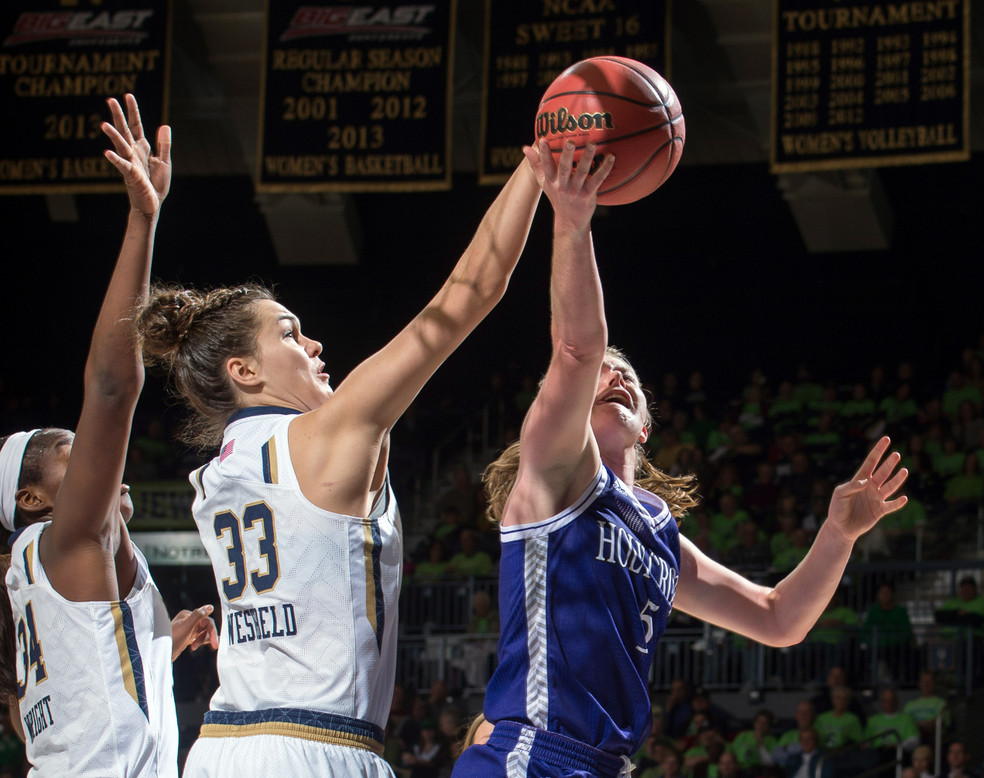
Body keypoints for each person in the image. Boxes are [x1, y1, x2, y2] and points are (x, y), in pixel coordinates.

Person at [451, 139, 908, 778]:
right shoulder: (553, 477)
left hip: (606, 765)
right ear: (559, 407)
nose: (613, 373)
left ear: (644, 428)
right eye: (601, 373)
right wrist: (573, 220)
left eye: (627, 373)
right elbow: (579, 349)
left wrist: (838, 533)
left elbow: (780, 620)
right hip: (534, 754)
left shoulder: (659, 532)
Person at [135, 148, 542, 775]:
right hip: (314, 744)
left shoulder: (213, 476)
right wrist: (537, 166)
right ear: (243, 371)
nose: (314, 343)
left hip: (219, 747)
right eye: (291, 333)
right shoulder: (330, 435)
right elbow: (468, 293)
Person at [0, 95, 217, 775]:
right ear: (32, 500)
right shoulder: (66, 538)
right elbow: (114, 389)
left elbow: (46, 696)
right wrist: (142, 221)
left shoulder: (38, 574)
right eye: (68, 453)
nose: (101, 462)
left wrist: (154, 646)